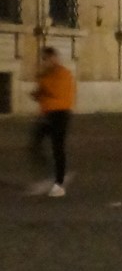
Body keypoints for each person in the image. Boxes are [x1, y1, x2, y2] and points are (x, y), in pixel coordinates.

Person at [28, 45, 74, 195]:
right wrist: (36, 94)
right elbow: (43, 93)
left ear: (54, 59)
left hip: (61, 114)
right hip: (47, 114)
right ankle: (50, 170)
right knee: (35, 143)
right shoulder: (46, 75)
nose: (44, 62)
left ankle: (59, 184)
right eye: (43, 59)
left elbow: (56, 91)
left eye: (46, 59)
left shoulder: (63, 73)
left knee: (57, 148)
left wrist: (42, 82)